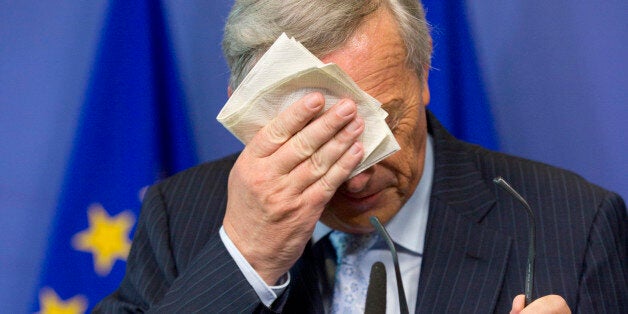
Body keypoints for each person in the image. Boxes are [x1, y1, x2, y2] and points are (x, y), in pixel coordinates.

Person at [95, 0, 627, 313]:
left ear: (423, 77)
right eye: (316, 137)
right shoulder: (179, 213)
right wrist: (245, 260)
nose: (357, 173)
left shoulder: (576, 225)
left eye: (383, 121)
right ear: (248, 112)